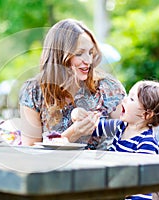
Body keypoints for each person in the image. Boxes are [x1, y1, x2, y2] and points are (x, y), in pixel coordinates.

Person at [18, 18, 126, 147]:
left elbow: (130, 129)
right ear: (59, 56)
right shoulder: (33, 91)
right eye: (79, 53)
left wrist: (100, 127)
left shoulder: (108, 87)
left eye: (90, 52)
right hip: (52, 166)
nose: (88, 60)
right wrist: (73, 133)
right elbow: (30, 149)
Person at [72, 80, 159, 200]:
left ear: (146, 114)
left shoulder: (146, 143)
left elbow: (142, 183)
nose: (124, 100)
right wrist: (77, 114)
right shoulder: (120, 126)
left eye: (131, 99)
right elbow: (93, 127)